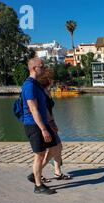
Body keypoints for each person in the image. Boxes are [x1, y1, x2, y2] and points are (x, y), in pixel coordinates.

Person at [23, 58, 60, 194]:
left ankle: (35, 175)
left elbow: (44, 107)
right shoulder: (29, 86)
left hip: (44, 123)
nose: (44, 69)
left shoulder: (37, 85)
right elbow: (33, 109)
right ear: (34, 68)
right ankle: (38, 185)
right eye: (42, 67)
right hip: (34, 125)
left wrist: (51, 123)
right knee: (39, 155)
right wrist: (43, 129)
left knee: (55, 148)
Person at [37, 68, 71, 181]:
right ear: (47, 79)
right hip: (46, 124)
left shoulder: (46, 91)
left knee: (58, 147)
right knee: (54, 149)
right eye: (51, 78)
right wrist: (51, 124)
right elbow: (44, 111)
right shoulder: (41, 92)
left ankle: (57, 172)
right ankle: (36, 172)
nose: (53, 80)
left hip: (50, 124)